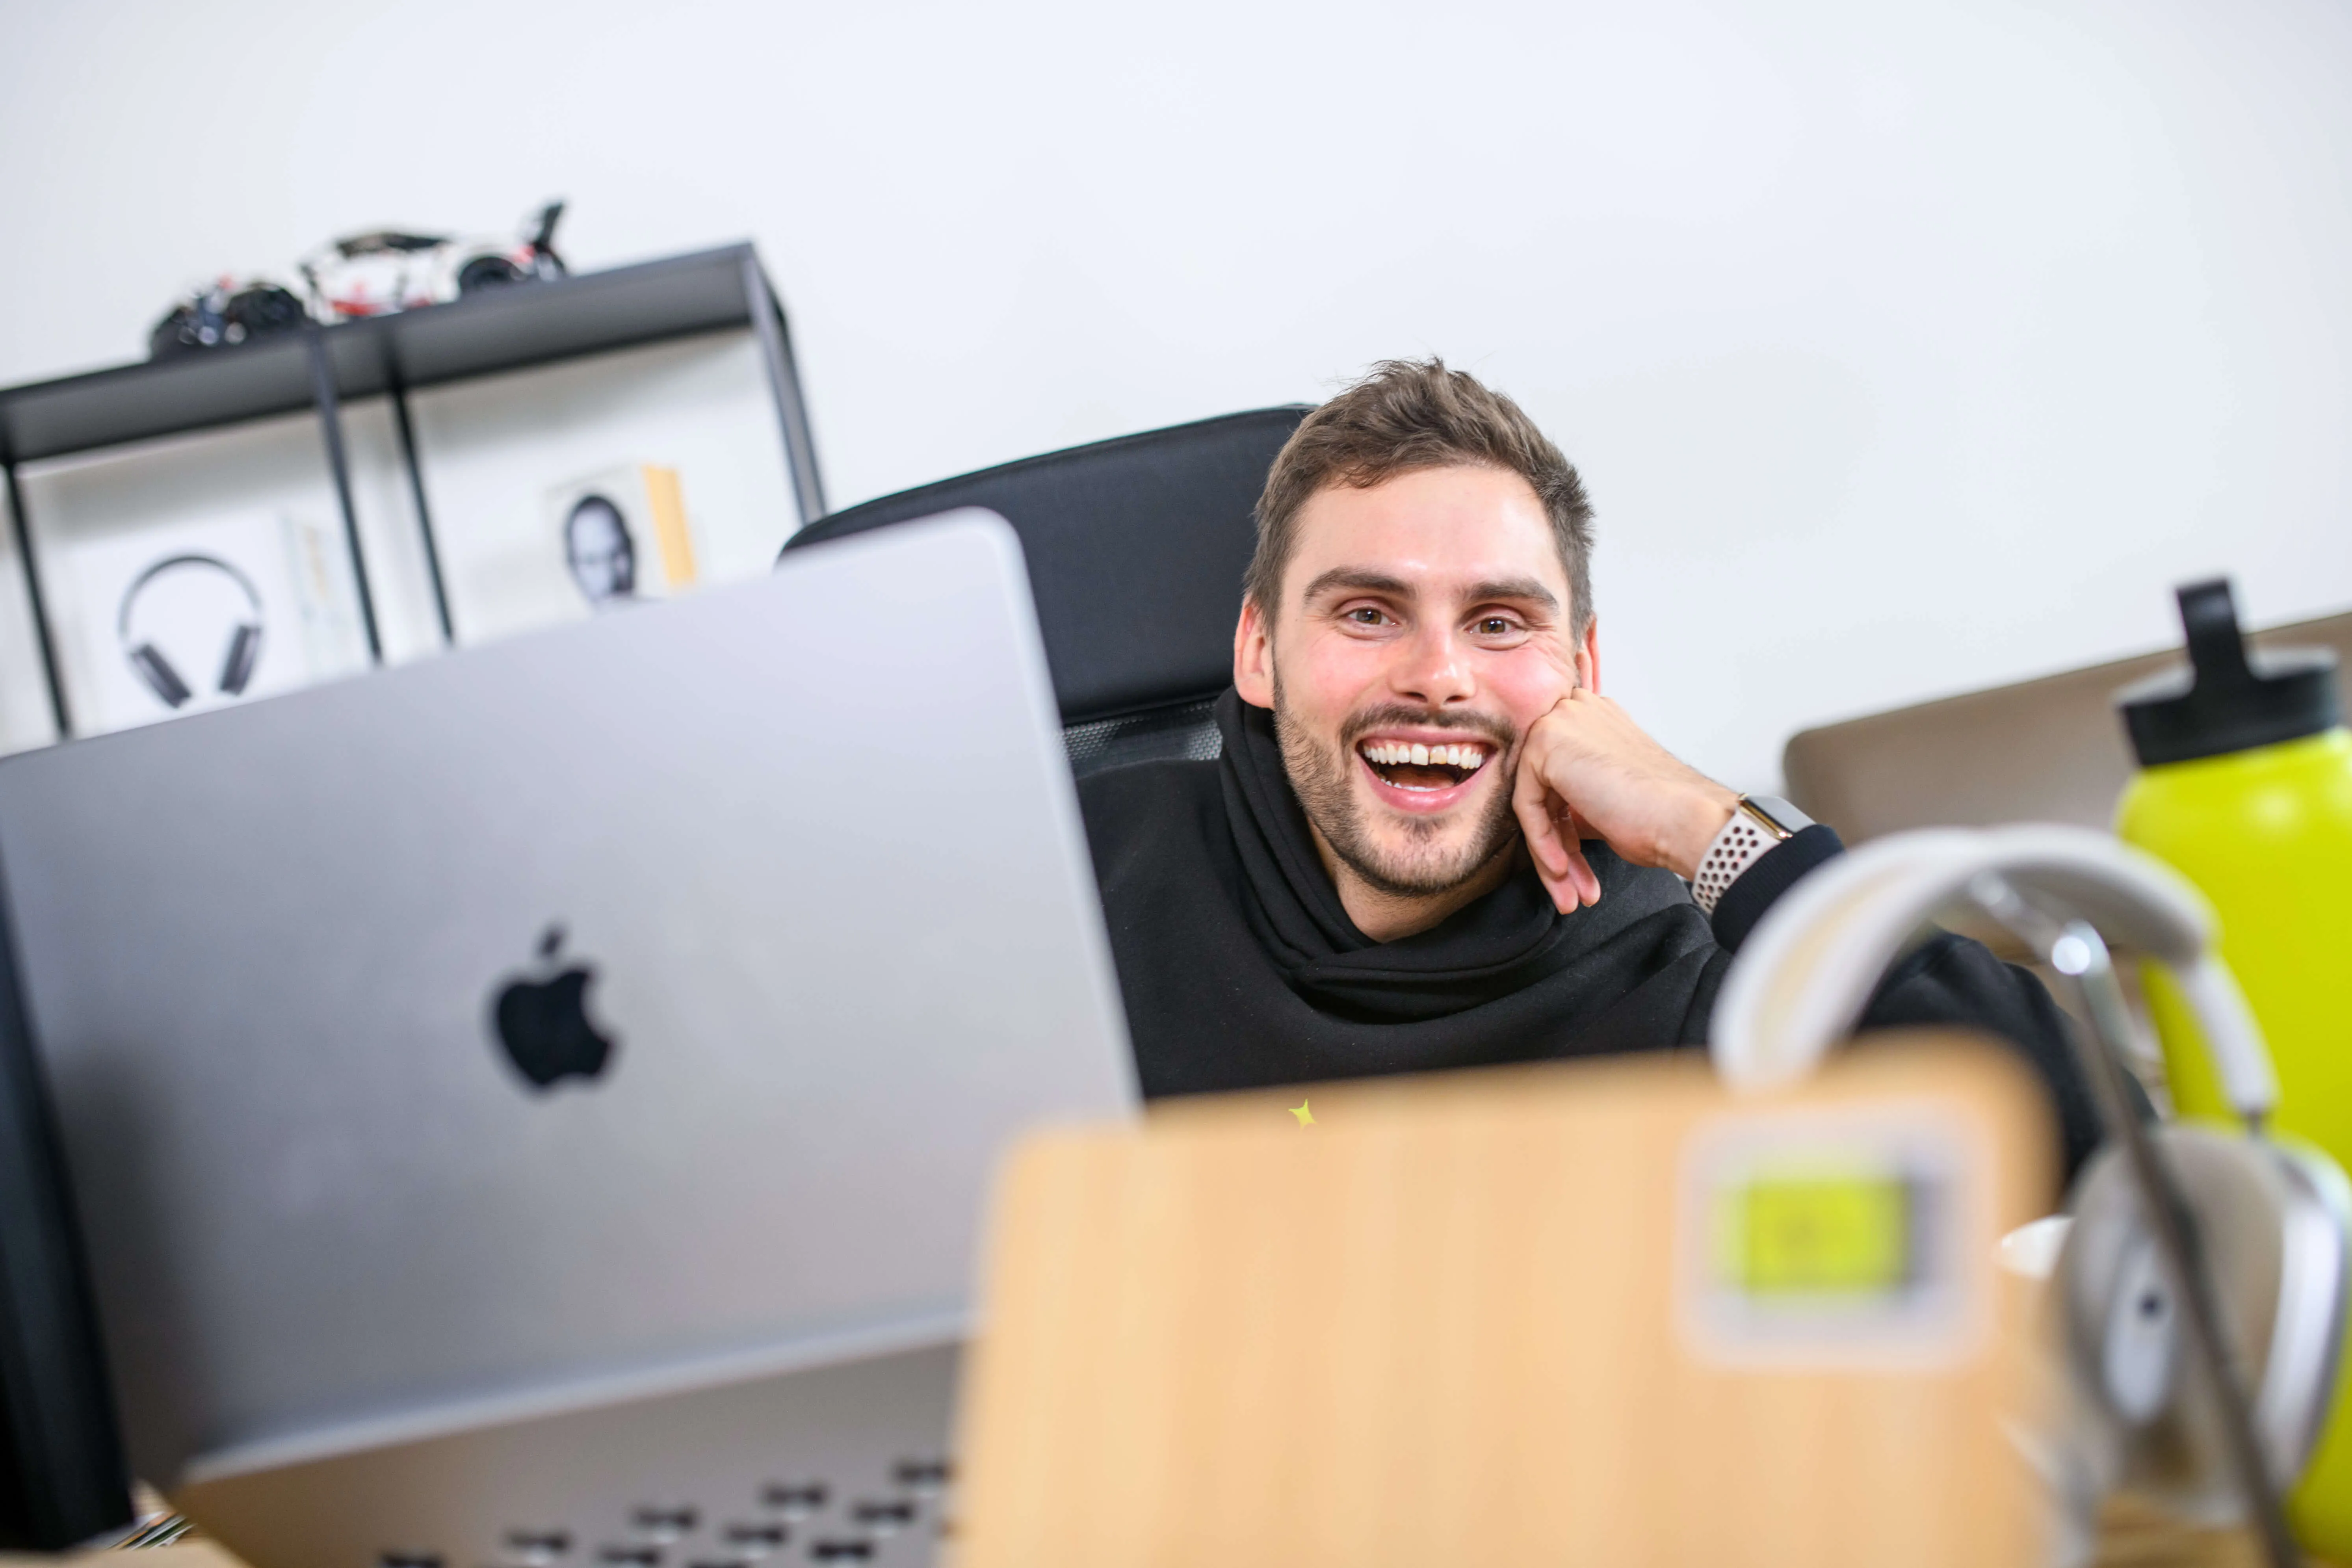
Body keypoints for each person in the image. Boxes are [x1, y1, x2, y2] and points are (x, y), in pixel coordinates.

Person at [1077, 359, 2099, 1171]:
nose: (1438, 674)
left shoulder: (1686, 973)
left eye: (1499, 620)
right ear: (1258, 649)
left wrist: (1708, 822)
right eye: (1367, 612)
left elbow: (2086, 1153)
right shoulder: (1079, 869)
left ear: (1583, 670)